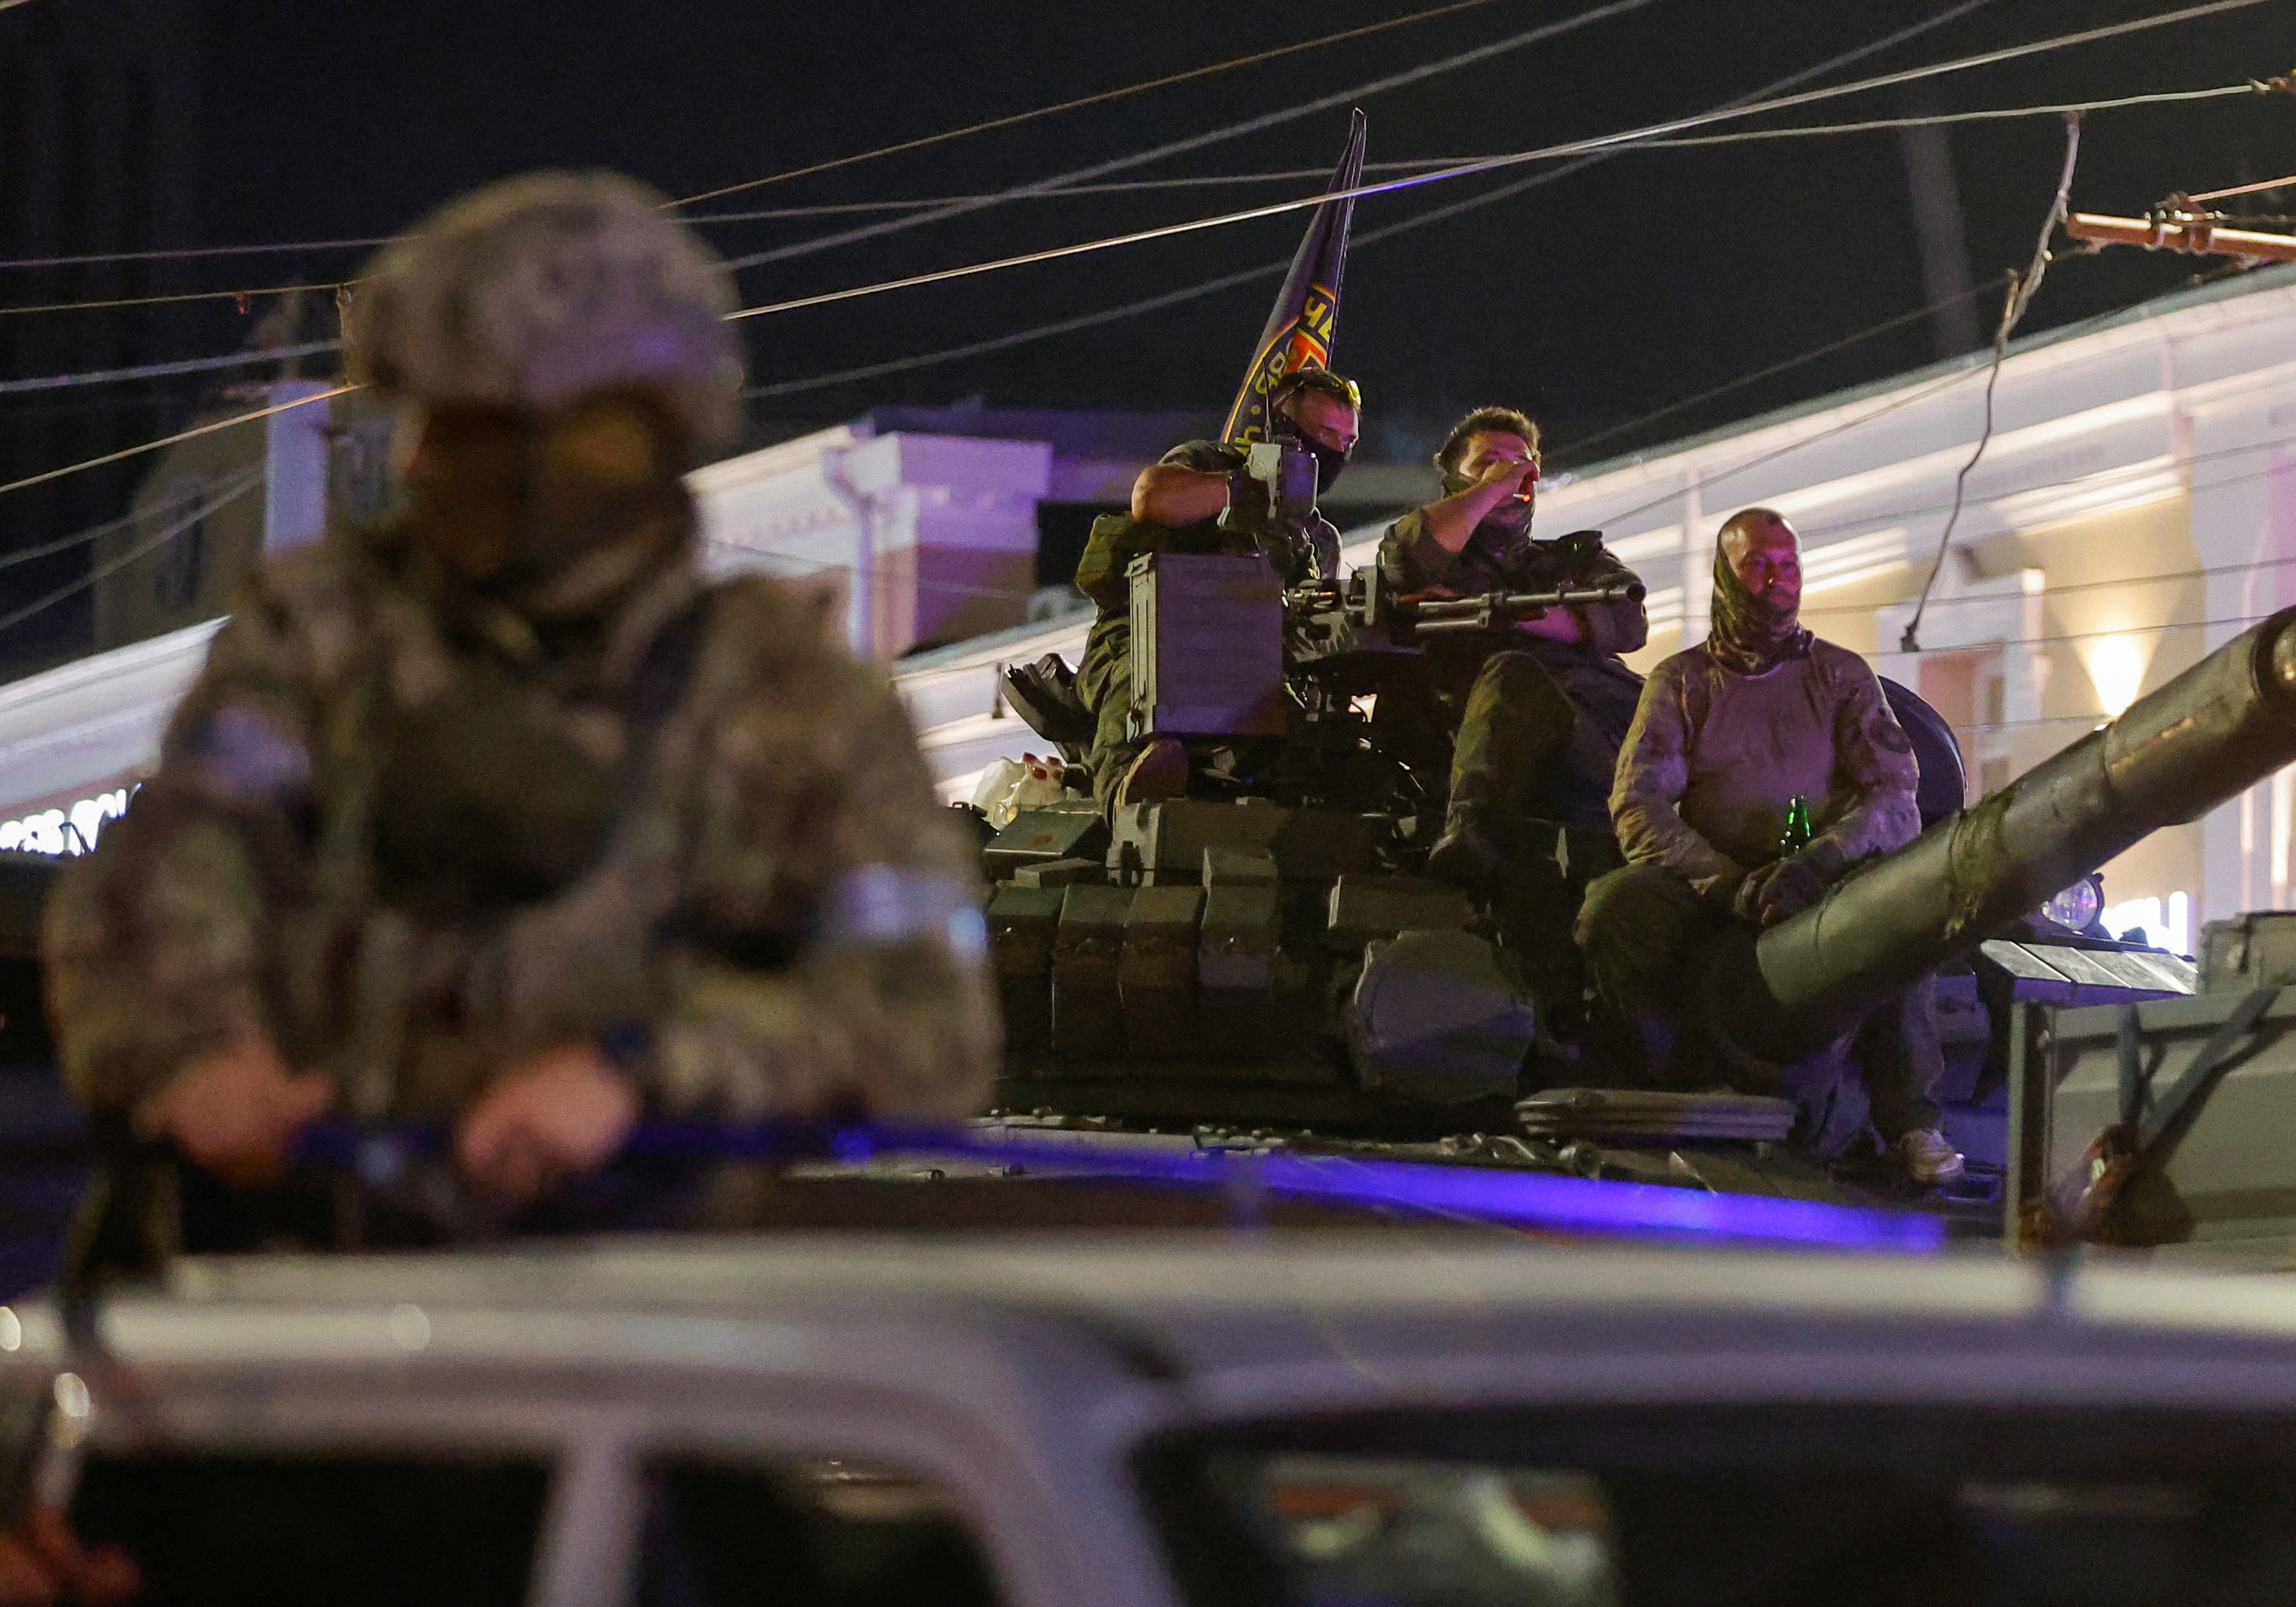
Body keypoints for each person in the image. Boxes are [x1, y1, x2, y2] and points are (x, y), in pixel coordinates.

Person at [40, 170, 1000, 1235]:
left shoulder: (790, 691)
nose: (522, 478)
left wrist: (643, 1070)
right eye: (472, 431)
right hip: (296, 1277)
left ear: (660, 432)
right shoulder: (323, 634)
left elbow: (924, 1017)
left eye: (577, 435)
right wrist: (198, 1052)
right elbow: (165, 867)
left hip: (639, 1313)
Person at [1574, 507, 1960, 1183]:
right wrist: (1723, 881)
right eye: (1755, 564)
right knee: (1614, 908)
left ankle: (1912, 1124)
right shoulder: (1681, 681)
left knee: (1902, 919)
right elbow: (1638, 806)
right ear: (1723, 575)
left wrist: (1817, 864)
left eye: (1786, 566)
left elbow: (1894, 797)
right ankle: (1659, 1093)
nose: (1773, 581)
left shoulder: (1839, 676)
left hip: (1821, 879)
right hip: (1709, 883)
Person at [1374, 407, 1648, 887]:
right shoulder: (1419, 547)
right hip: (1454, 739)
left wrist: (1513, 614)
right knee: (1507, 676)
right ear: (1454, 478)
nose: (1510, 472)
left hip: (1586, 742)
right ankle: (1470, 841)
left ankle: (1472, 834)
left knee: (1519, 674)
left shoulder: (1573, 560)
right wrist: (1493, 488)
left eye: (1521, 463)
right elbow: (1410, 562)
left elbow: (1628, 620)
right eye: (1487, 462)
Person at [1072, 367, 1361, 810]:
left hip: (1253, 668)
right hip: (1151, 636)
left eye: (1347, 441)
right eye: (1324, 432)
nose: (1335, 450)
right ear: (1281, 426)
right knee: (1146, 676)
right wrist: (1245, 490)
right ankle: (1126, 797)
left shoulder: (1318, 539)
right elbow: (1152, 499)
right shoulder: (1210, 465)